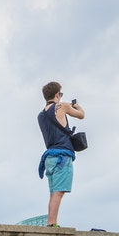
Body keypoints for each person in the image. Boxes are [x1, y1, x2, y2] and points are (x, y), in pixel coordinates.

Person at [36, 81, 85, 227]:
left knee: (53, 193)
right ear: (57, 94)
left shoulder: (40, 115)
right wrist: (76, 106)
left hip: (49, 158)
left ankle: (52, 222)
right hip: (62, 157)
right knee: (59, 192)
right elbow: (81, 115)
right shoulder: (61, 106)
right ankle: (51, 224)